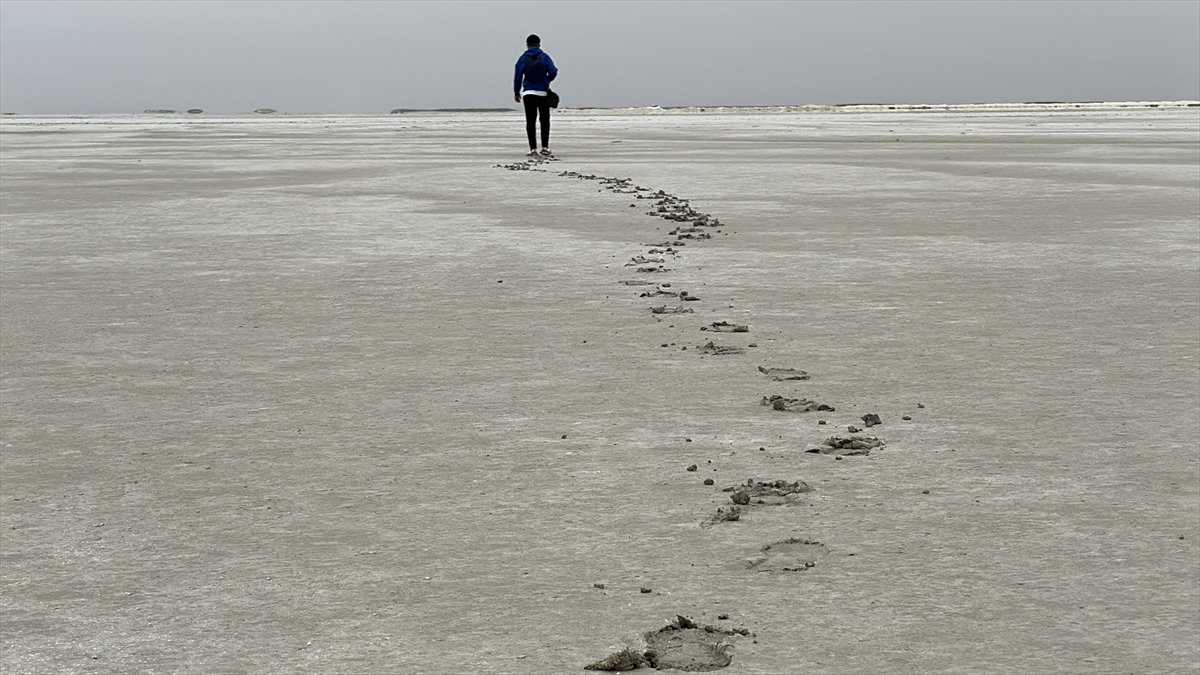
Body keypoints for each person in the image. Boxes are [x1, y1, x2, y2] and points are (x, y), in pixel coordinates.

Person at [513, 34, 557, 156]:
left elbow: (518, 76)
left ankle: (533, 149)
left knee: (530, 121)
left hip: (528, 93)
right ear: (539, 44)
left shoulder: (523, 58)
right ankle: (545, 147)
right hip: (542, 92)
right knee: (544, 120)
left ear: (527, 45)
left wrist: (516, 92)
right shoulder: (544, 57)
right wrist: (546, 80)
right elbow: (553, 71)